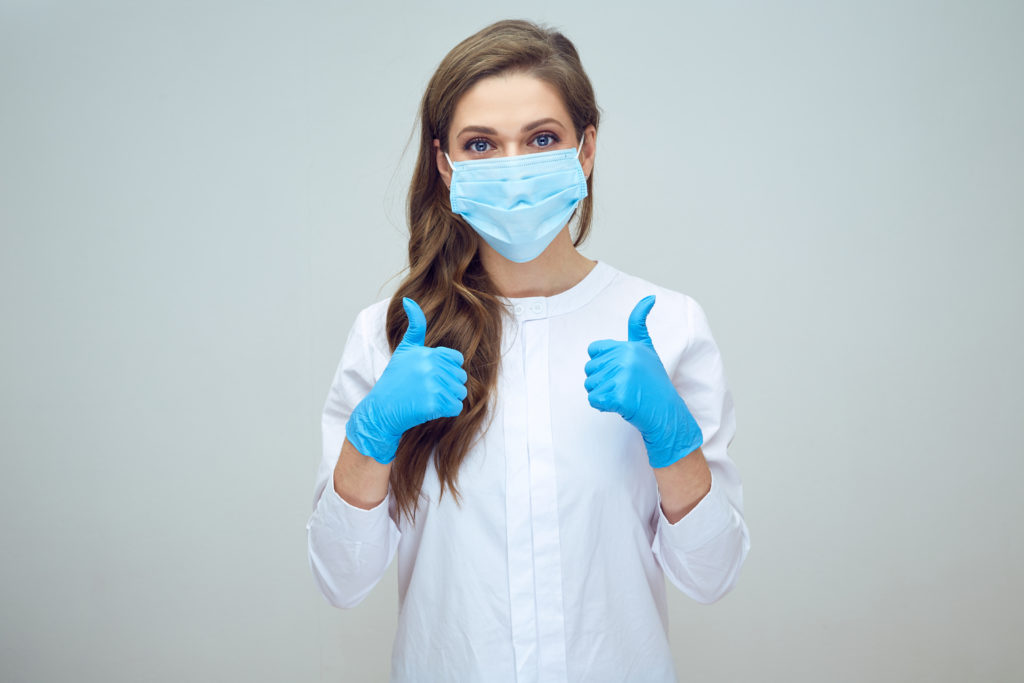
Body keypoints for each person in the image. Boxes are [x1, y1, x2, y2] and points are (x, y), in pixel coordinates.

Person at [306, 19, 750, 682]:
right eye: (481, 143)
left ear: (586, 148)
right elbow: (341, 579)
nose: (513, 167)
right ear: (444, 163)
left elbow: (711, 577)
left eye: (542, 138)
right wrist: (369, 438)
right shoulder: (392, 336)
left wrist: (674, 440)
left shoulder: (667, 326)